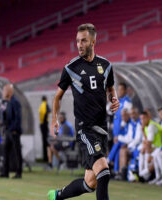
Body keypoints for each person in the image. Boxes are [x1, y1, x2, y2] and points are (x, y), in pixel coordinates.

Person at [47, 23, 120, 200]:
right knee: (103, 171)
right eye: (77, 41)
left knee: (90, 182)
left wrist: (114, 99)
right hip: (85, 129)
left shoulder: (106, 65)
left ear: (93, 42)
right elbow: (57, 97)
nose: (79, 45)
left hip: (102, 128)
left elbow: (110, 88)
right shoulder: (71, 68)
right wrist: (54, 119)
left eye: (83, 41)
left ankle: (57, 196)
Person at [0, 84, 22, 179]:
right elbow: (5, 116)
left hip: (14, 131)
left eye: (4, 90)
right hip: (8, 130)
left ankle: (19, 172)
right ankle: (5, 172)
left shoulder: (15, 102)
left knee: (17, 152)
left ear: (10, 91)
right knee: (6, 151)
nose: (3, 92)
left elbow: (18, 117)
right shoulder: (6, 102)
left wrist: (14, 129)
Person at [39, 96, 51, 163]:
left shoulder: (41, 105)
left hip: (41, 124)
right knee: (46, 141)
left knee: (44, 141)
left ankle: (45, 157)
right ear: (46, 99)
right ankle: (46, 158)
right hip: (44, 124)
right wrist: (45, 122)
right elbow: (48, 112)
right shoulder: (45, 104)